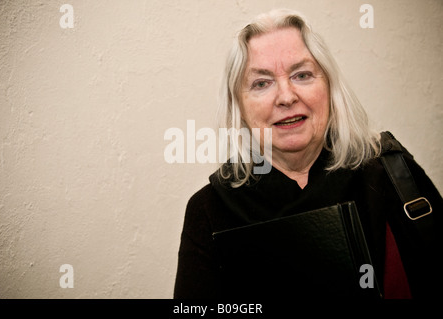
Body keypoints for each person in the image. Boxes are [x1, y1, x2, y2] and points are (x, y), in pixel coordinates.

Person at [173, 9, 442, 299]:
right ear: (239, 106)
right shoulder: (209, 210)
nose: (286, 97)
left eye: (302, 75)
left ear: (329, 87)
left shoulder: (392, 174)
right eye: (261, 83)